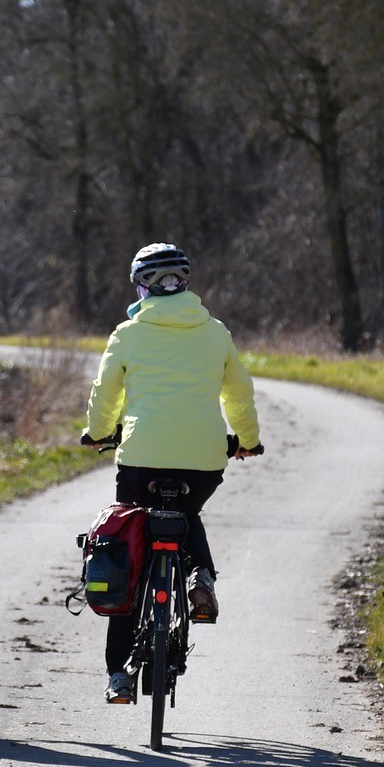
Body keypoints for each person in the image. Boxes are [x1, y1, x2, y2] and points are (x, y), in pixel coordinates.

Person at [82, 242, 262, 704]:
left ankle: (118, 675)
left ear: (140, 286)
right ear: (185, 283)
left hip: (141, 456)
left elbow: (106, 395)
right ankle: (199, 575)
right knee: (188, 515)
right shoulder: (215, 331)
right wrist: (246, 440)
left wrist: (99, 433)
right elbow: (239, 393)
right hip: (202, 458)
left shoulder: (127, 333)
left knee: (132, 549)